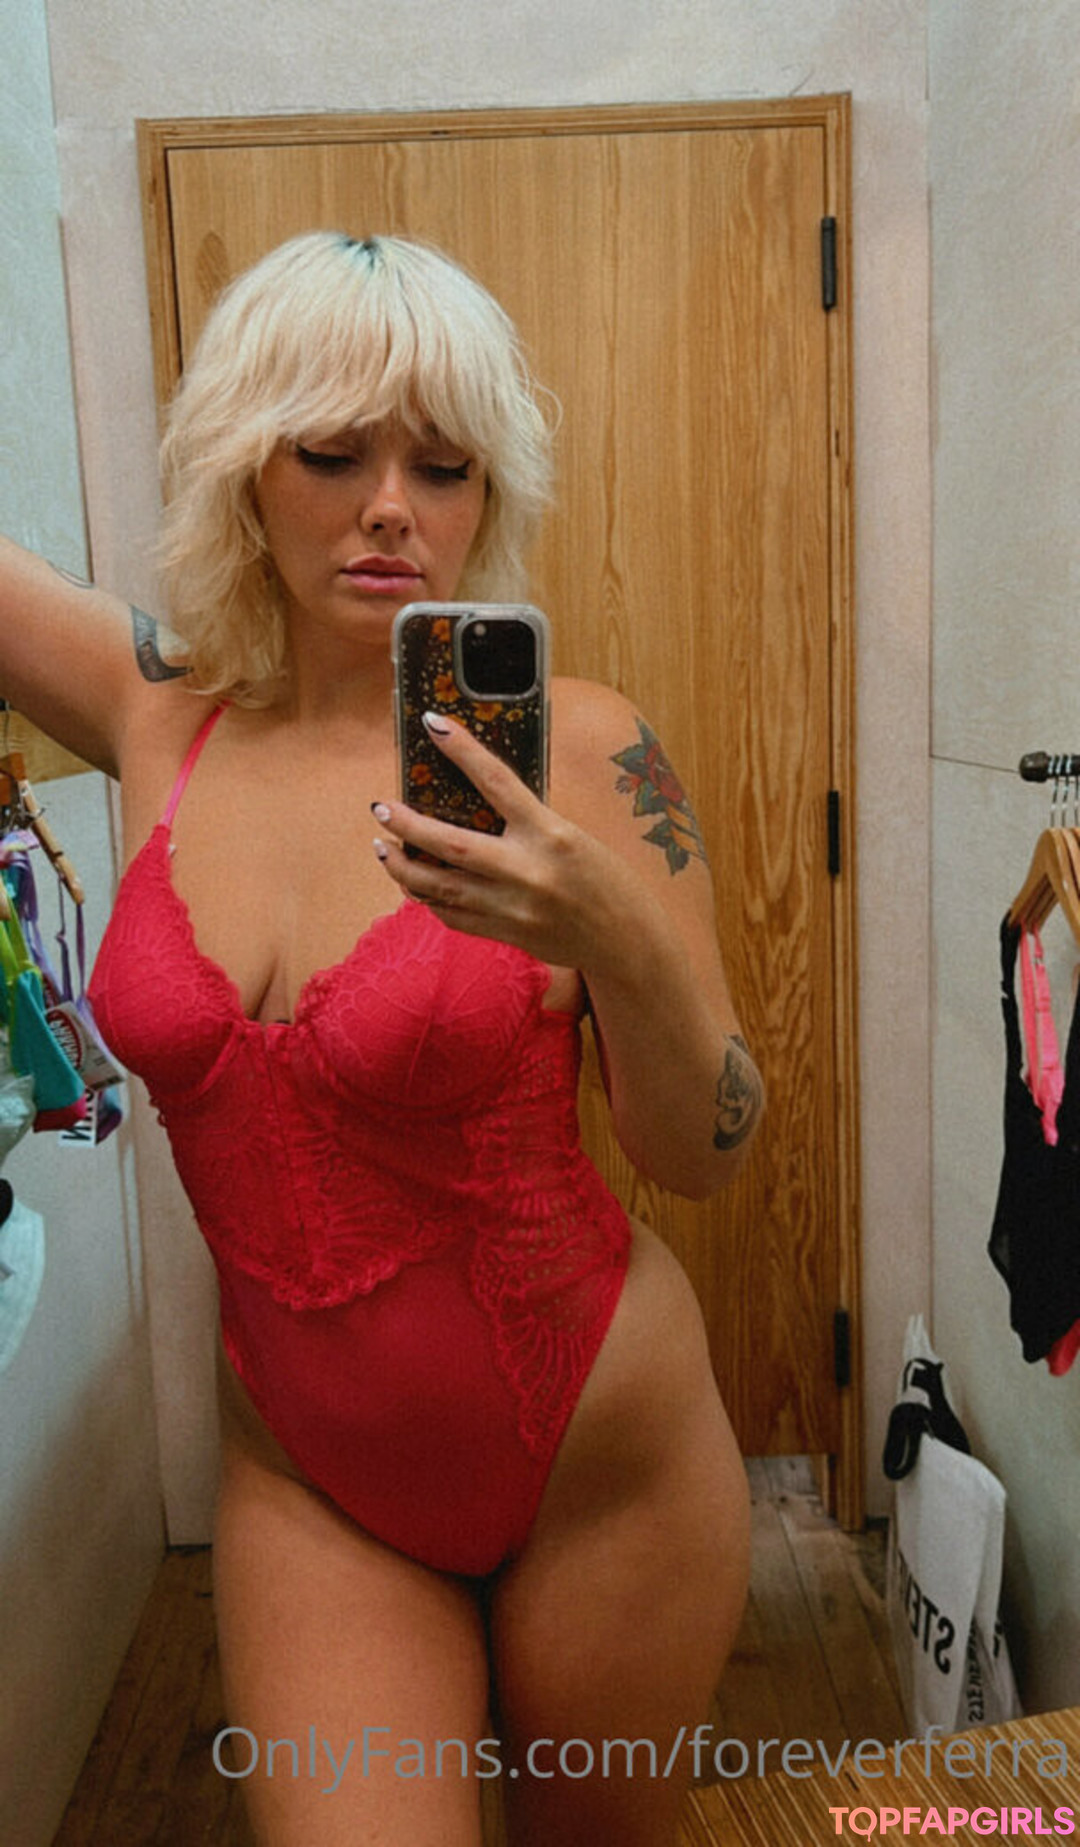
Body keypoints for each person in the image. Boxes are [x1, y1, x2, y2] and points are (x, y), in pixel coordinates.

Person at [0, 231, 763, 1846]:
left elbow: (709, 1150)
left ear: (491, 494)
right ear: (244, 470)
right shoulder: (158, 714)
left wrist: (609, 933)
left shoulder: (583, 750)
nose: (392, 507)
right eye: (332, 454)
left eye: (444, 464)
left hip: (603, 1466)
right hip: (310, 1484)